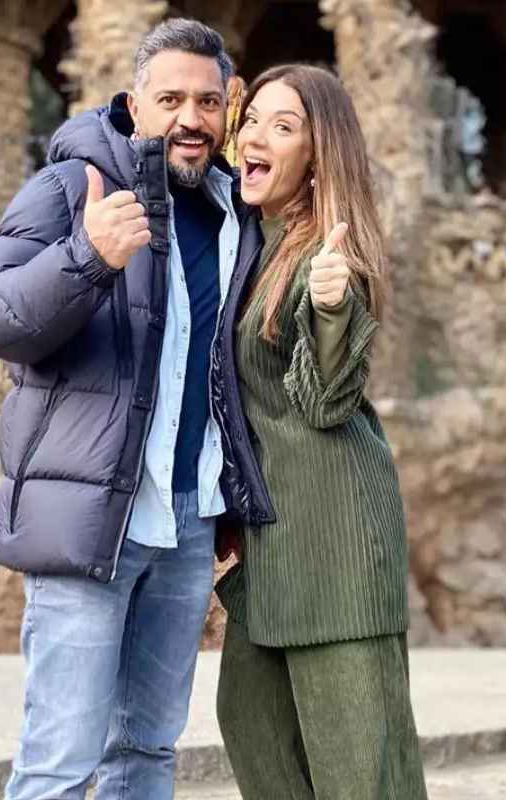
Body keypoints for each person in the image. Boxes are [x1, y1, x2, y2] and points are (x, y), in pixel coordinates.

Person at [0, 19, 263, 800]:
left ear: (228, 107)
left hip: (187, 526)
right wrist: (86, 259)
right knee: (60, 762)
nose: (190, 118)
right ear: (134, 104)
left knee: (147, 751)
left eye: (207, 101)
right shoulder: (73, 187)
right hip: (94, 521)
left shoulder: (236, 212)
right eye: (171, 100)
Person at [210, 64, 428, 799]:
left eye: (284, 126)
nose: (256, 137)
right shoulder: (249, 241)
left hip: (336, 542)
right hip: (273, 536)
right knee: (250, 722)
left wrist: (332, 310)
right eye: (252, 120)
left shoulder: (327, 257)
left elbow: (328, 400)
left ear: (316, 155)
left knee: (359, 771)